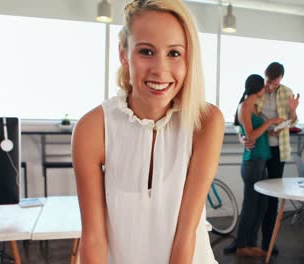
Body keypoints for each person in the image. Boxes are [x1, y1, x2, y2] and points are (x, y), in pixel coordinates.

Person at [72, 1, 224, 263]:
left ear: (189, 58)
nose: (160, 69)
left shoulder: (206, 121)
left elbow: (185, 234)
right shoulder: (92, 129)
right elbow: (94, 237)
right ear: (124, 54)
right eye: (146, 51)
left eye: (174, 53)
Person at [224, 62, 300, 255]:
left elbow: (293, 120)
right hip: (257, 149)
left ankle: (267, 241)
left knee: (269, 200)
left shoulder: (287, 92)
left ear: (281, 80)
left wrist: (292, 111)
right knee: (252, 199)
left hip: (276, 151)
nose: (271, 87)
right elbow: (240, 123)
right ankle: (244, 242)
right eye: (269, 83)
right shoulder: (254, 95)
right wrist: (242, 138)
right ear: (264, 79)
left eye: (275, 84)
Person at [233, 74, 283, 257]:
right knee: (250, 205)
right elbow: (251, 135)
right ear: (257, 89)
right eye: (264, 87)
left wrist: (273, 128)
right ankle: (241, 246)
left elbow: (257, 132)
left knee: (260, 205)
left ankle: (250, 243)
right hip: (252, 161)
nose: (266, 89)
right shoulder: (245, 107)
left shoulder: (253, 107)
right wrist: (270, 121)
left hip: (260, 160)